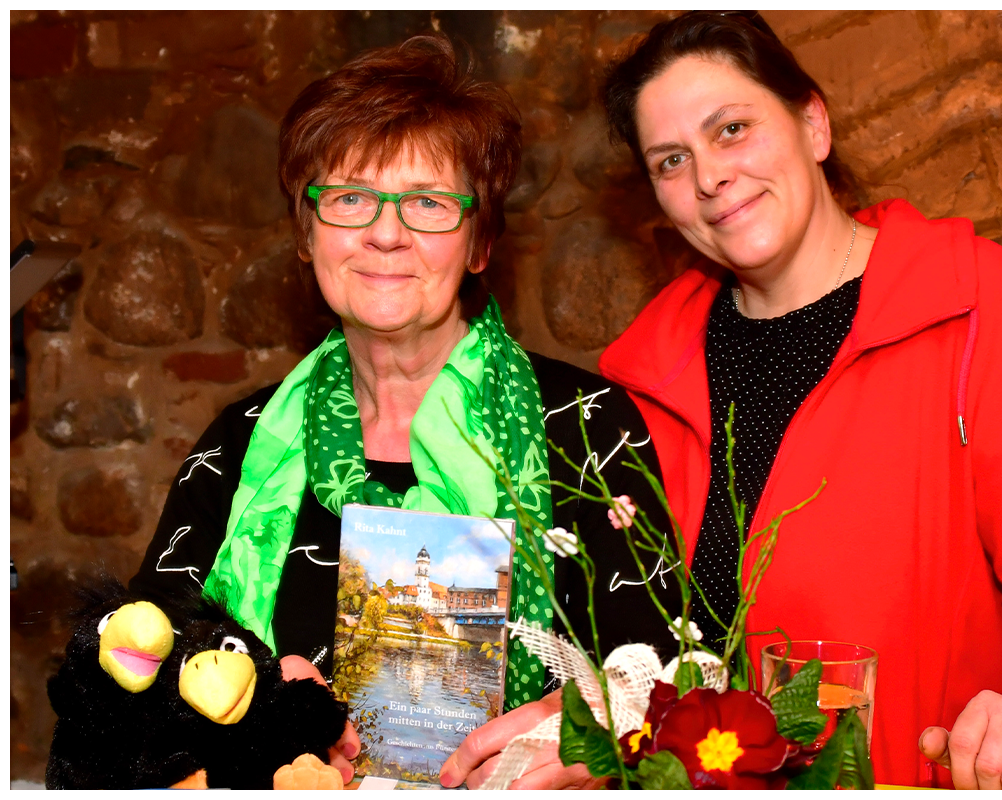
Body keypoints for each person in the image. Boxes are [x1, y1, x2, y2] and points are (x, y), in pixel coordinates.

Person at [589, 10, 1002, 791]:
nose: (708, 177)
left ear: (813, 124)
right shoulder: (638, 383)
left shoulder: (974, 305)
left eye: (732, 129)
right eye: (672, 160)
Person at [130, 34, 677, 788]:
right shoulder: (237, 446)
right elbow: (130, 664)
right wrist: (251, 699)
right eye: (350, 198)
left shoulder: (585, 425)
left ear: (480, 243)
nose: (386, 234)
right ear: (307, 233)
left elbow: (671, 670)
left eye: (428, 203)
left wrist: (597, 726)